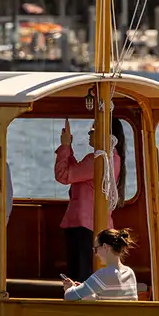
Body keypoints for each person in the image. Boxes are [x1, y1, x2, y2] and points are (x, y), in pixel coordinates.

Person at [54, 117, 120, 279]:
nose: (89, 133)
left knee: (80, 276)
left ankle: (79, 302)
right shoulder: (111, 158)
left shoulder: (98, 160)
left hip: (84, 228)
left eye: (93, 130)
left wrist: (65, 146)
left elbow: (63, 175)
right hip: (90, 225)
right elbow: (75, 172)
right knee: (83, 274)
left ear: (107, 135)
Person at [62, 227, 139, 301]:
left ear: (105, 247)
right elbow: (110, 297)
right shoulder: (130, 272)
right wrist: (83, 289)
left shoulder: (103, 274)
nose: (96, 254)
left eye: (96, 249)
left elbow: (69, 296)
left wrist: (70, 288)